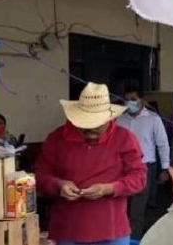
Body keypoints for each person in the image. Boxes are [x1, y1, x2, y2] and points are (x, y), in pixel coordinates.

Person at [34, 82, 146, 245]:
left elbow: (139, 178)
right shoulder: (57, 138)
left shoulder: (125, 138)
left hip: (112, 229)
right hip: (67, 229)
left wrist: (109, 188)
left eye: (97, 123)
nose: (91, 128)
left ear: (109, 118)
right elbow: (39, 176)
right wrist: (59, 184)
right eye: (85, 123)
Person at [116, 88, 170, 242]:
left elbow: (163, 144)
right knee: (122, 206)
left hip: (145, 167)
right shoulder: (120, 120)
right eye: (126, 99)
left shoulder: (153, 119)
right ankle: (121, 236)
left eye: (133, 99)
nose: (129, 103)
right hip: (122, 168)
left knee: (137, 209)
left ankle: (134, 239)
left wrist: (165, 168)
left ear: (141, 100)